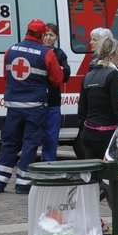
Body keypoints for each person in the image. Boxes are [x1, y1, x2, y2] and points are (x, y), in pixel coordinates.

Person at [0, 19, 63, 194]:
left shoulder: (11, 50)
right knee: (30, 143)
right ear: (41, 34)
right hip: (35, 106)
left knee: (9, 142)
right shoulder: (46, 53)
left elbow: (6, 76)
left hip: (13, 105)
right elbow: (56, 79)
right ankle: (23, 184)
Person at [75, 33, 118, 160]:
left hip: (88, 133)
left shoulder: (88, 75)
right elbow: (117, 107)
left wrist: (82, 129)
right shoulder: (113, 75)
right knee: (107, 174)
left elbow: (82, 107)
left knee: (91, 173)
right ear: (111, 55)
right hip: (105, 134)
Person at [40, 22, 70, 162]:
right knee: (33, 134)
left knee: (51, 135)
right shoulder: (37, 51)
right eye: (46, 34)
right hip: (37, 101)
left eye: (51, 35)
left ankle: (48, 162)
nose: (48, 38)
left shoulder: (59, 54)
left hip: (53, 101)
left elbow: (66, 74)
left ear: (56, 37)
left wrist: (58, 71)